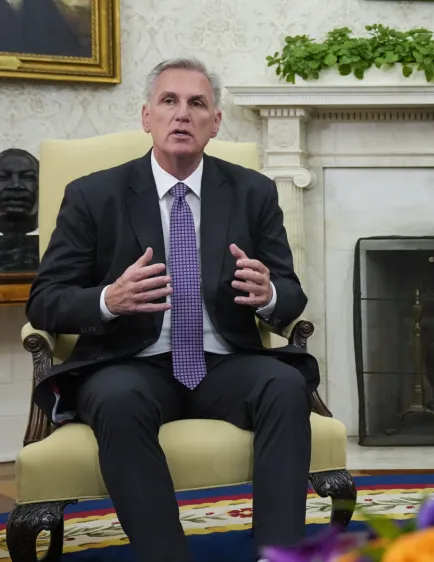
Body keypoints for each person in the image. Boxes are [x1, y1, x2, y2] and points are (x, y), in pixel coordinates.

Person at [26, 58, 319, 562]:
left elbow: (290, 293)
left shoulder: (253, 192)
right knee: (117, 400)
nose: (182, 114)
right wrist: (107, 300)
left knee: (286, 385)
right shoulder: (94, 195)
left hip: (223, 362)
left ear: (215, 122)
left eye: (197, 103)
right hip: (128, 363)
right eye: (169, 101)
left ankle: (279, 554)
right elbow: (46, 300)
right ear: (146, 117)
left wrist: (269, 294)